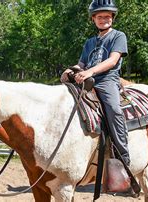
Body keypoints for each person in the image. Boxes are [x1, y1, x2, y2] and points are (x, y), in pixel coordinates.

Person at [60, 0, 130, 166]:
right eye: (99, 16)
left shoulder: (118, 36)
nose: (103, 19)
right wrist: (70, 70)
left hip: (107, 79)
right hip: (87, 78)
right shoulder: (89, 42)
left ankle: (123, 155)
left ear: (112, 17)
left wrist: (90, 71)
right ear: (93, 19)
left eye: (107, 16)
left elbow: (113, 60)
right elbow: (82, 64)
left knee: (114, 109)